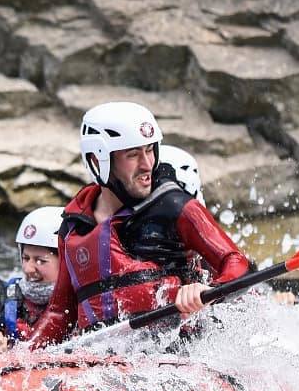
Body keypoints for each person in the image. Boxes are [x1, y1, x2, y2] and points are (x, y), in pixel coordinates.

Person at [27, 101, 251, 348]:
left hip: (177, 353)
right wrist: (22, 355)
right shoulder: (74, 227)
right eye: (133, 155)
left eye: (150, 150)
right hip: (102, 361)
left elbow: (238, 264)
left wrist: (208, 291)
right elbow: (61, 312)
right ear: (98, 159)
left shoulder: (176, 206)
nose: (147, 165)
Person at [0, 206, 64, 347]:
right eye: (25, 258)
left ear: (65, 261)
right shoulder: (11, 297)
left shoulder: (80, 305)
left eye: (40, 260)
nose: (28, 269)